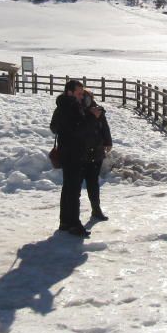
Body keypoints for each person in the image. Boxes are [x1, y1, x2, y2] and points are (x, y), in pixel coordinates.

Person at [50, 80, 101, 237]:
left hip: (67, 152)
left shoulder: (61, 106)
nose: (81, 96)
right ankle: (74, 224)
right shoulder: (71, 107)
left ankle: (65, 222)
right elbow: (79, 130)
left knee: (68, 189)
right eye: (78, 93)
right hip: (73, 153)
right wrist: (92, 117)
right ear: (69, 92)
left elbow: (54, 127)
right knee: (73, 191)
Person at [80, 90, 112, 221]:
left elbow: (104, 126)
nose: (85, 99)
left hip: (96, 150)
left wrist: (108, 141)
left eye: (87, 97)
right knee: (80, 183)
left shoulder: (98, 110)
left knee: (93, 182)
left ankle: (96, 209)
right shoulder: (79, 110)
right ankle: (74, 215)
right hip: (82, 151)